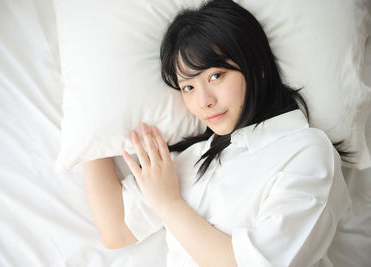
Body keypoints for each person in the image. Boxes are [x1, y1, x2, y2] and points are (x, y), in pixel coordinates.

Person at [83, 0, 352, 266]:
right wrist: (90, 123)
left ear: (256, 67)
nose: (204, 101)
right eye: (188, 87)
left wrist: (169, 204)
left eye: (215, 76)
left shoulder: (307, 151)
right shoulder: (195, 157)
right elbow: (116, 230)